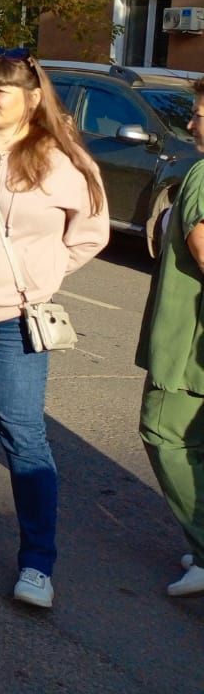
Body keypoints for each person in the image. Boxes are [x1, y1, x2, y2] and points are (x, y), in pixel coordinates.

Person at [0, 48, 108, 608]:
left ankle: (37, 561)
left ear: (32, 99)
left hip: (18, 320)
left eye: (1, 90)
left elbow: (90, 233)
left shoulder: (62, 161)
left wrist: (42, 278)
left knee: (23, 434)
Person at [138, 75, 204, 597]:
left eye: (199, 112)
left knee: (164, 433)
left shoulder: (203, 174)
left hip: (188, 341)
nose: (190, 121)